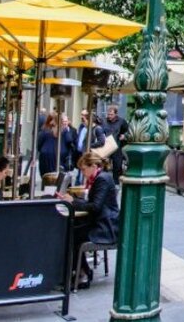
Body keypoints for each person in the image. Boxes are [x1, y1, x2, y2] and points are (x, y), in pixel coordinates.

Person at [58, 152, 119, 290]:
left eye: (84, 169)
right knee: (72, 230)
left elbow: (95, 206)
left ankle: (82, 273)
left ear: (93, 166)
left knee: (71, 235)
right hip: (101, 223)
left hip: (104, 228)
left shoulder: (101, 179)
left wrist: (73, 201)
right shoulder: (98, 178)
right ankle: (82, 270)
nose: (83, 173)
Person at [103, 105, 129, 184]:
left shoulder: (121, 121)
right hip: (106, 146)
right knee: (104, 165)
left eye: (111, 114)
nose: (109, 116)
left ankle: (116, 184)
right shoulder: (104, 121)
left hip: (117, 147)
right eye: (108, 114)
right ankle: (104, 182)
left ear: (116, 114)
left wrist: (124, 136)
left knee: (117, 166)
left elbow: (128, 131)